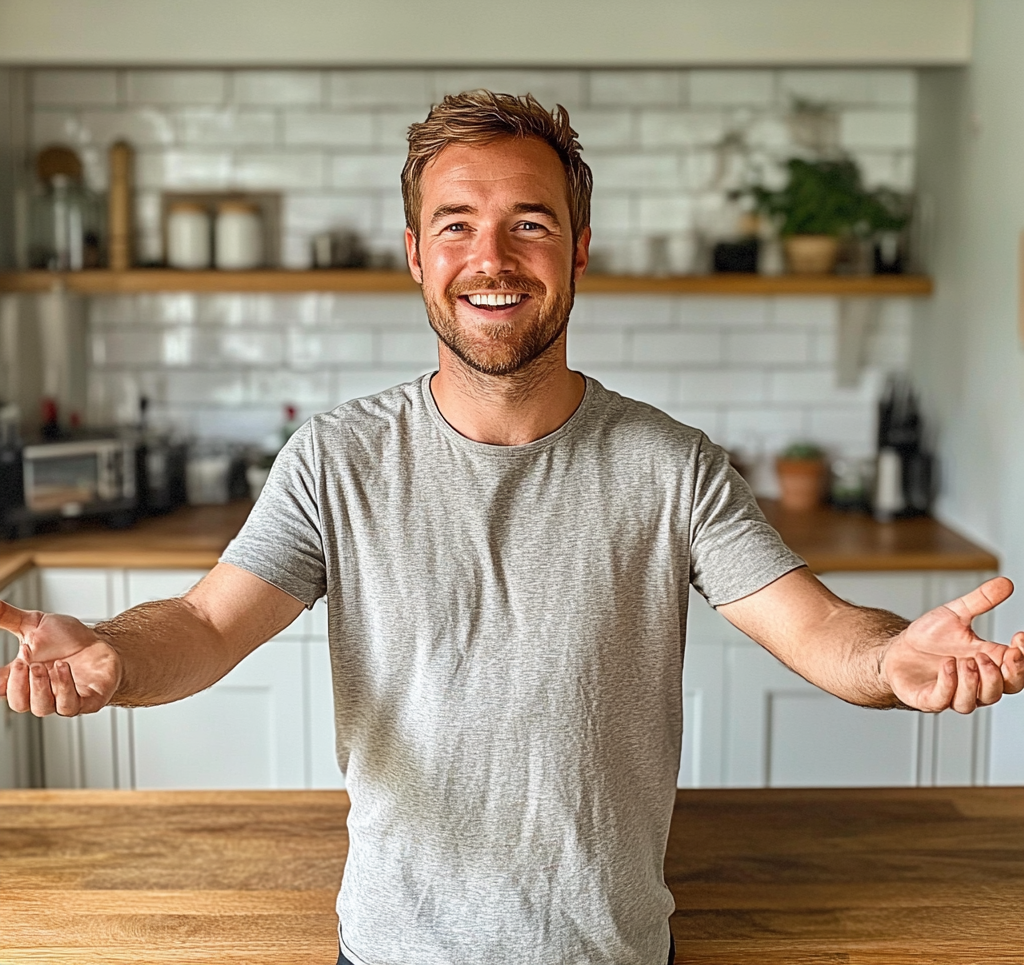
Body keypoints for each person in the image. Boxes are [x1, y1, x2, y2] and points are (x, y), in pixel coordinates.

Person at [2, 90, 1023, 965]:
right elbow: (207, 624)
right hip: (395, 946)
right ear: (414, 253)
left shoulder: (670, 465)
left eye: (528, 223)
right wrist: (114, 656)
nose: (489, 257)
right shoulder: (336, 458)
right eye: (455, 224)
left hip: (611, 947)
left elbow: (817, 630)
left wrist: (892, 659)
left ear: (578, 247)